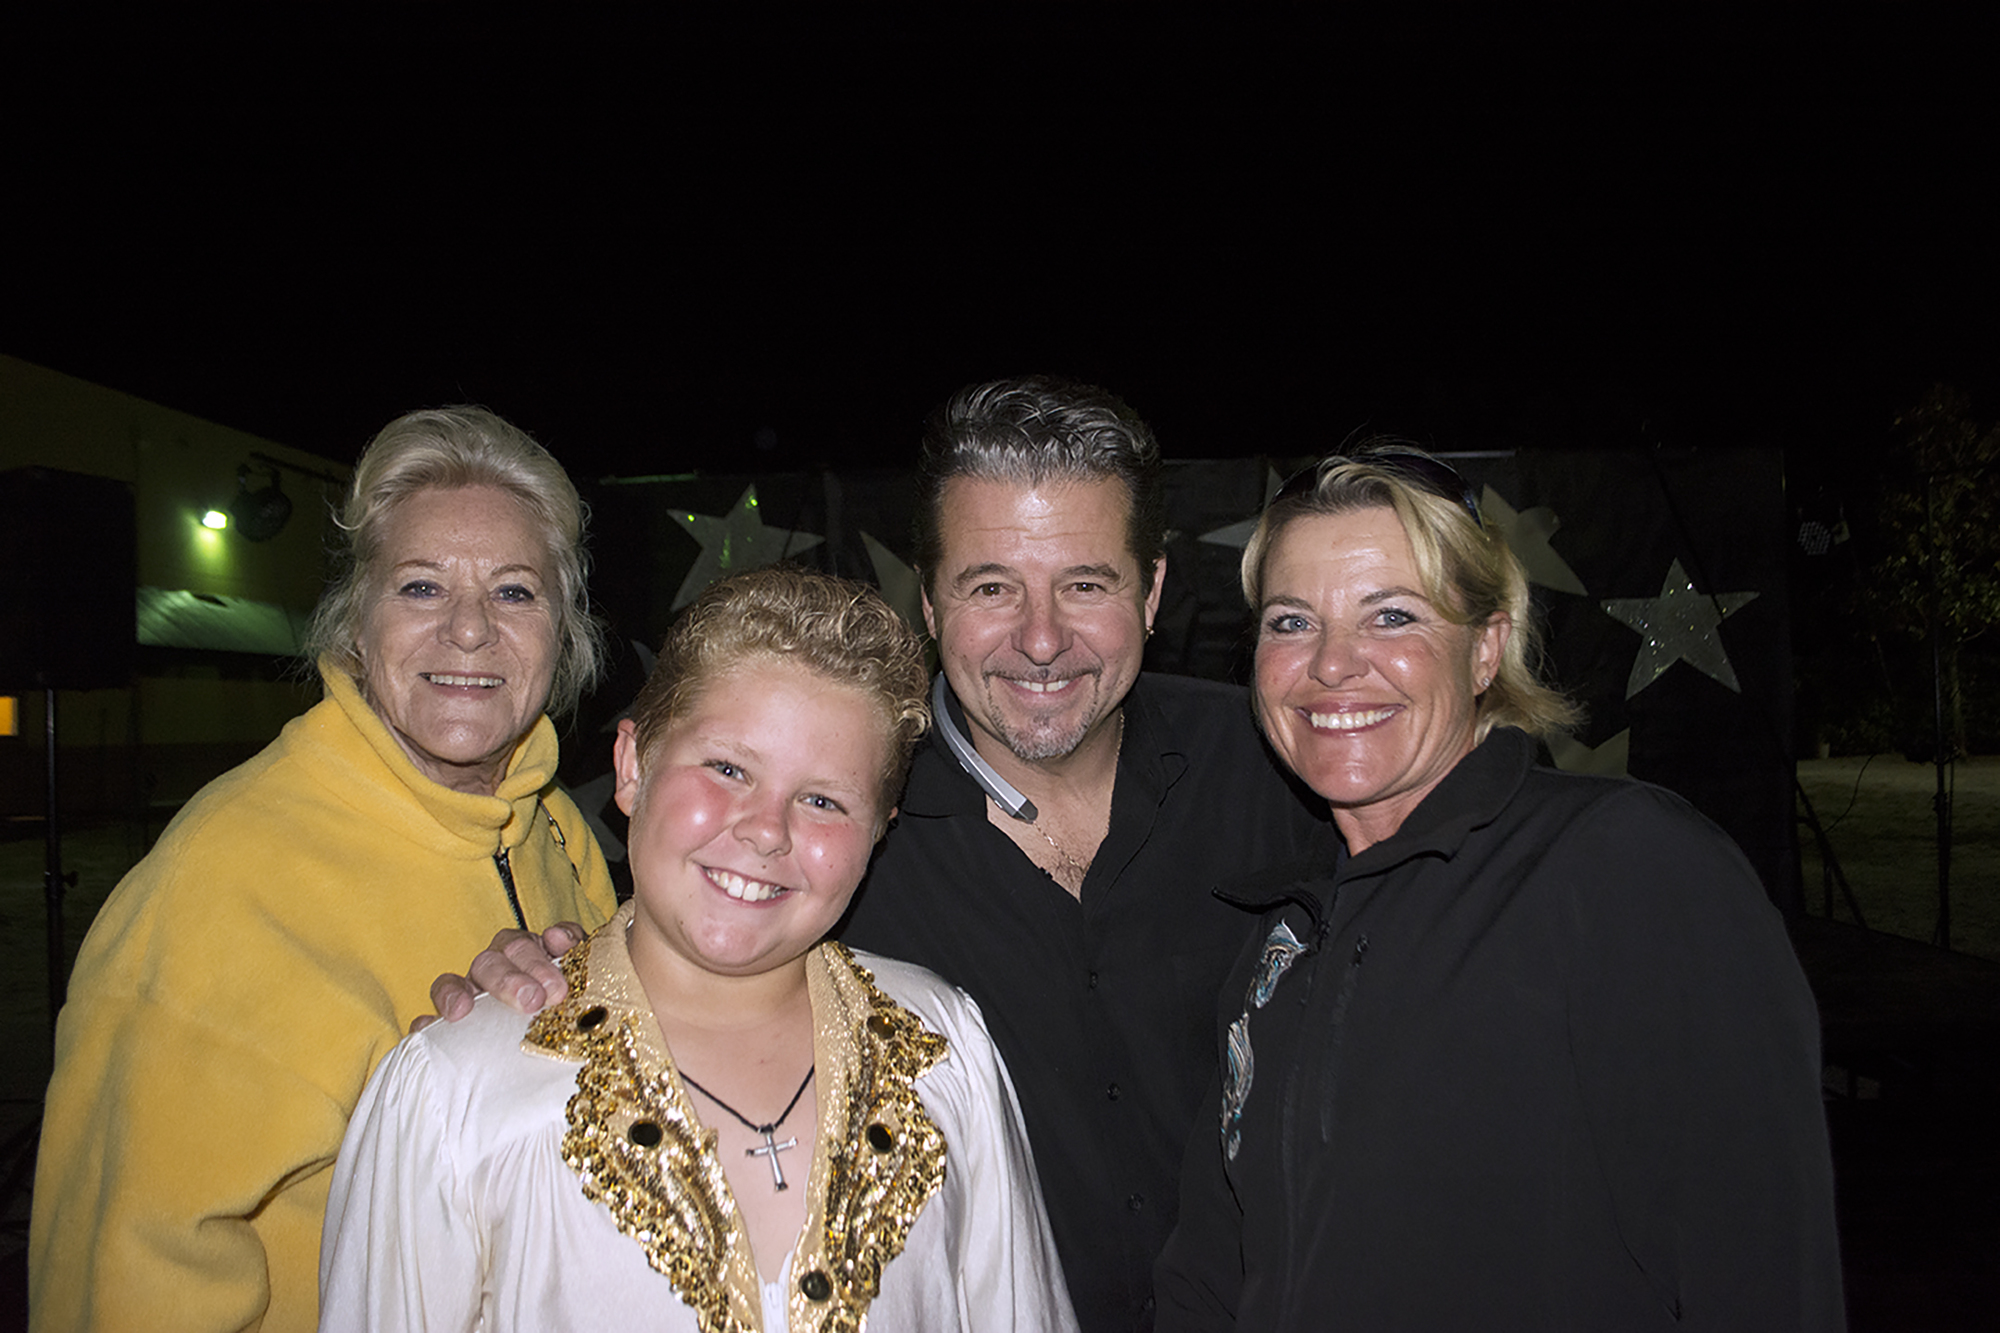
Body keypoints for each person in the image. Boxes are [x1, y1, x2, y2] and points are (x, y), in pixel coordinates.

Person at [443, 377, 1334, 1332]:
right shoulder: (832, 839)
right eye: (991, 586)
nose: (1041, 638)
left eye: (1086, 584)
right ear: (931, 602)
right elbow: (669, 943)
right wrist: (539, 975)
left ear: (1152, 590)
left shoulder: (1285, 774)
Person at [1153, 445, 1845, 1329]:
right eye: (1291, 622)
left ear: (1486, 649)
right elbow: (1211, 1275)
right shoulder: (1278, 939)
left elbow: (1761, 1279)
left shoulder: (1627, 873)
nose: (1332, 664)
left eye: (1392, 615)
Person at [320, 567, 1076, 1332]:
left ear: (879, 829)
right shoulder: (456, 1093)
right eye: (727, 768)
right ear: (632, 767)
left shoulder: (945, 1048)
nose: (766, 828)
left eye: (823, 800)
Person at [30, 408, 620, 1333]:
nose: (468, 632)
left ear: (564, 627)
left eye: (514, 592)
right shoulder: (217, 882)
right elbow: (116, 1284)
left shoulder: (554, 829)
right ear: (354, 619)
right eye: (420, 587)